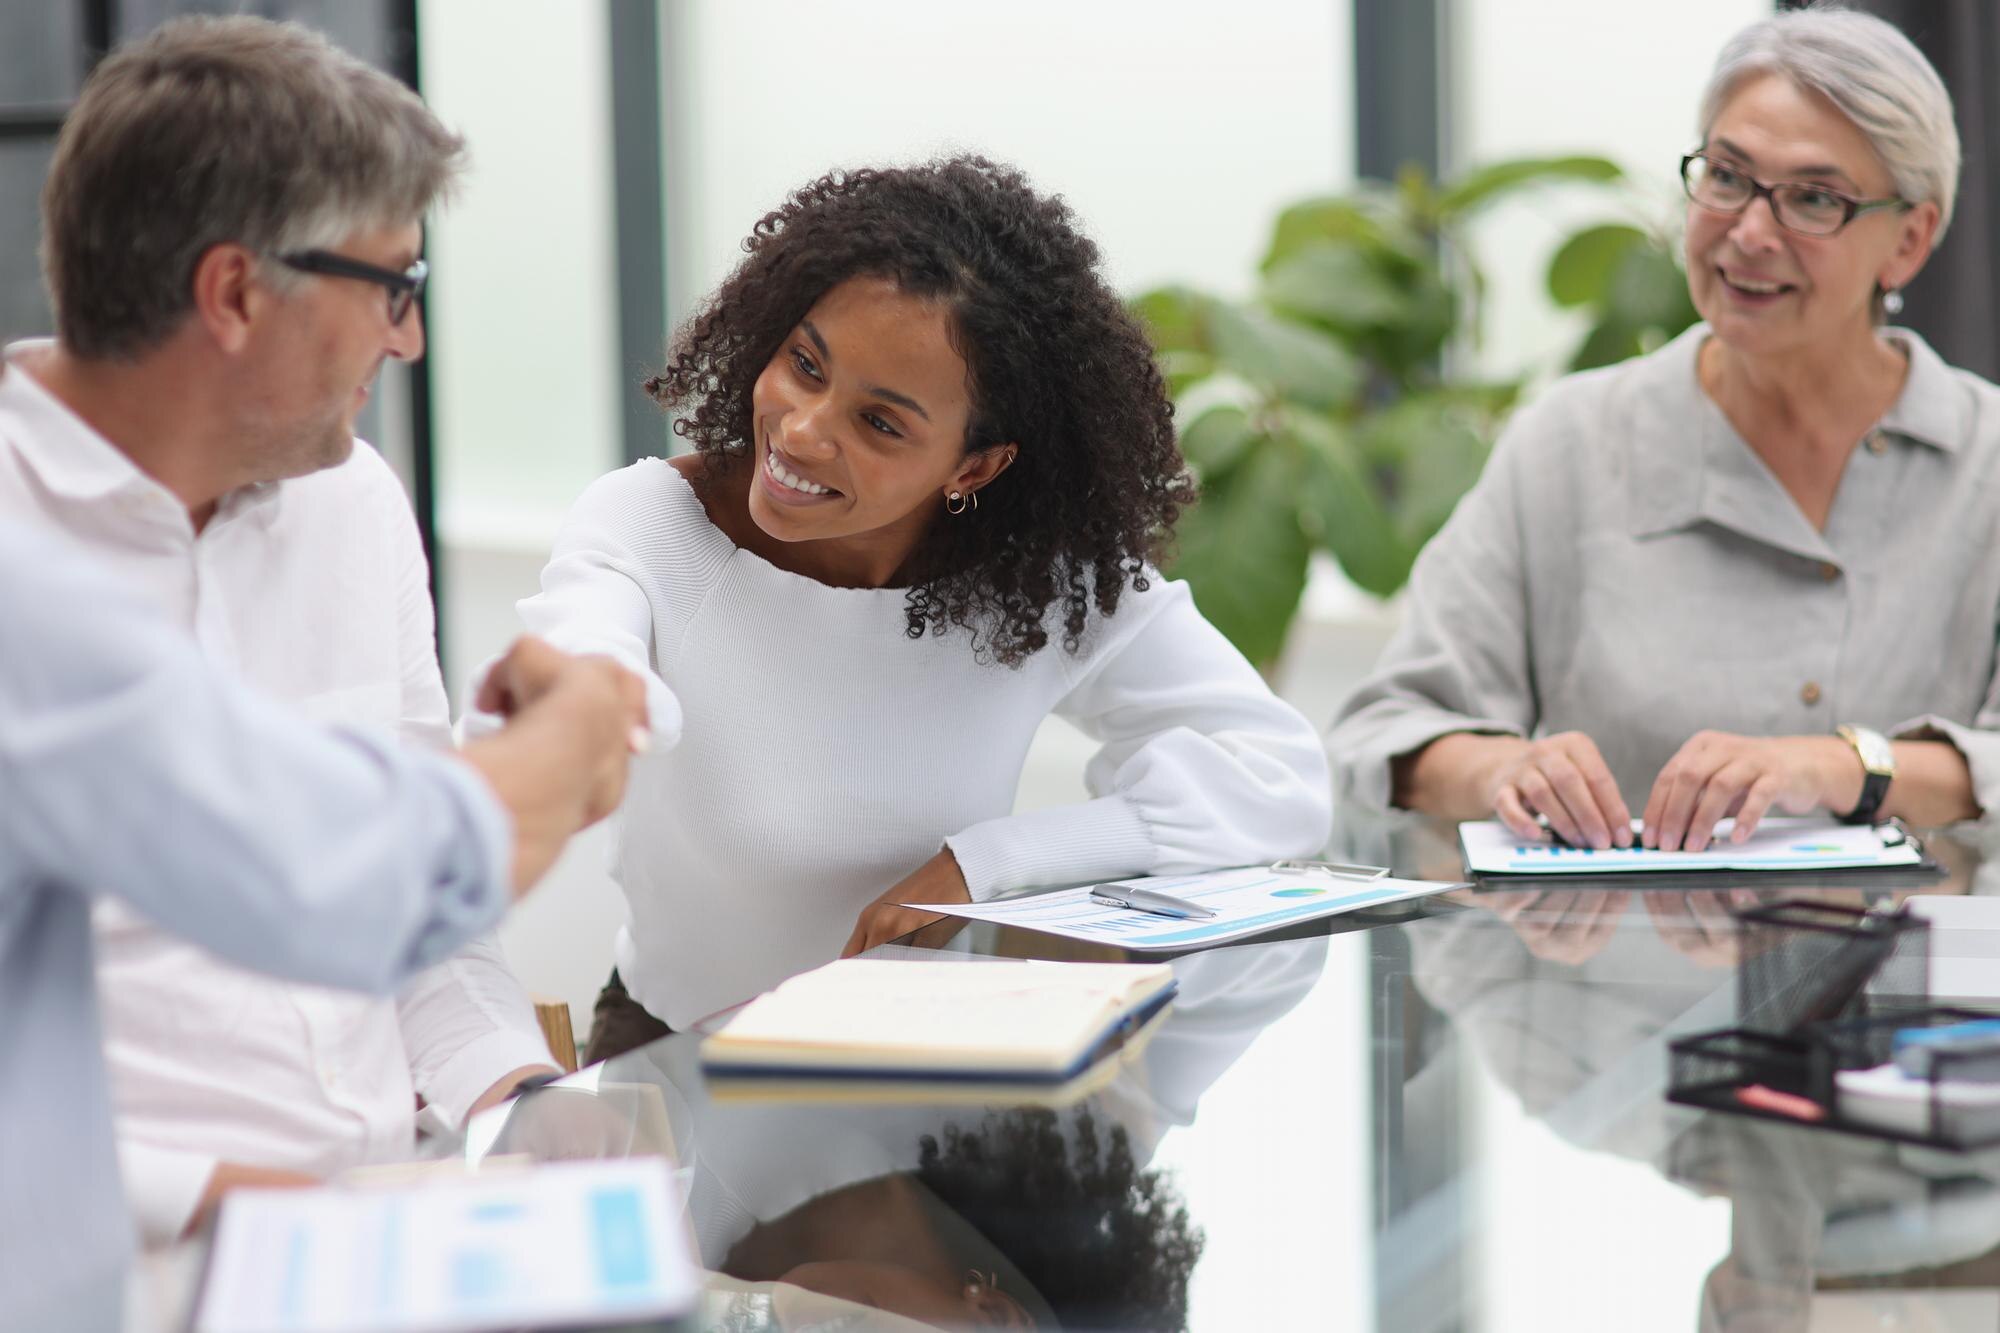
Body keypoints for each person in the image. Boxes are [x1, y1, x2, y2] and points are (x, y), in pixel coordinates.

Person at [496, 155, 1332, 1054]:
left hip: (929, 1071)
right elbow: (583, 659)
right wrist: (593, 706)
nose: (803, 430)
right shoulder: (652, 523)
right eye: (805, 364)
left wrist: (985, 867)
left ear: (975, 465)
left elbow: (1280, 781)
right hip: (677, 1059)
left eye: (880, 422)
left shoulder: (1043, 583)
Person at [0, 14, 565, 1242]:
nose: (409, 338)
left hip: (382, 1240)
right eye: (394, 286)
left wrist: (524, 1112)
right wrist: (254, 1209)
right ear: (237, 293)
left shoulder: (352, 503)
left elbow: (423, 917)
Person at [1329, 8, 1998, 855]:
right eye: (1728, 176)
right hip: (1615, 942)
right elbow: (1384, 732)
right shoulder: (1569, 444)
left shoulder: (1986, 461)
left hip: (1932, 944)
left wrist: (1835, 766)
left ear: (1909, 240)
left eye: (1814, 199)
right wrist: (1503, 769)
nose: (1749, 233)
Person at [0, 523, 645, 1327]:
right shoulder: (25, 569)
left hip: (376, 1262)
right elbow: (373, 873)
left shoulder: (355, 505)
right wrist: (569, 736)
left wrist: (516, 1092)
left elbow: (413, 916)